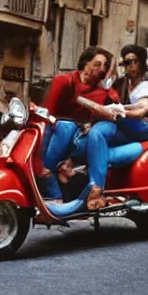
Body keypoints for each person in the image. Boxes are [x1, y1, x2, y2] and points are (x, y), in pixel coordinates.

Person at [43, 46, 120, 205]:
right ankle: (46, 173)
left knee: (79, 133)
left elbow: (112, 113)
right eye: (97, 64)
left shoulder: (104, 93)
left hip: (81, 138)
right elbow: (47, 112)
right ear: (85, 64)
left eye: (105, 67)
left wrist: (109, 86)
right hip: (57, 133)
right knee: (64, 127)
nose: (101, 70)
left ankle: (54, 180)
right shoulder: (64, 81)